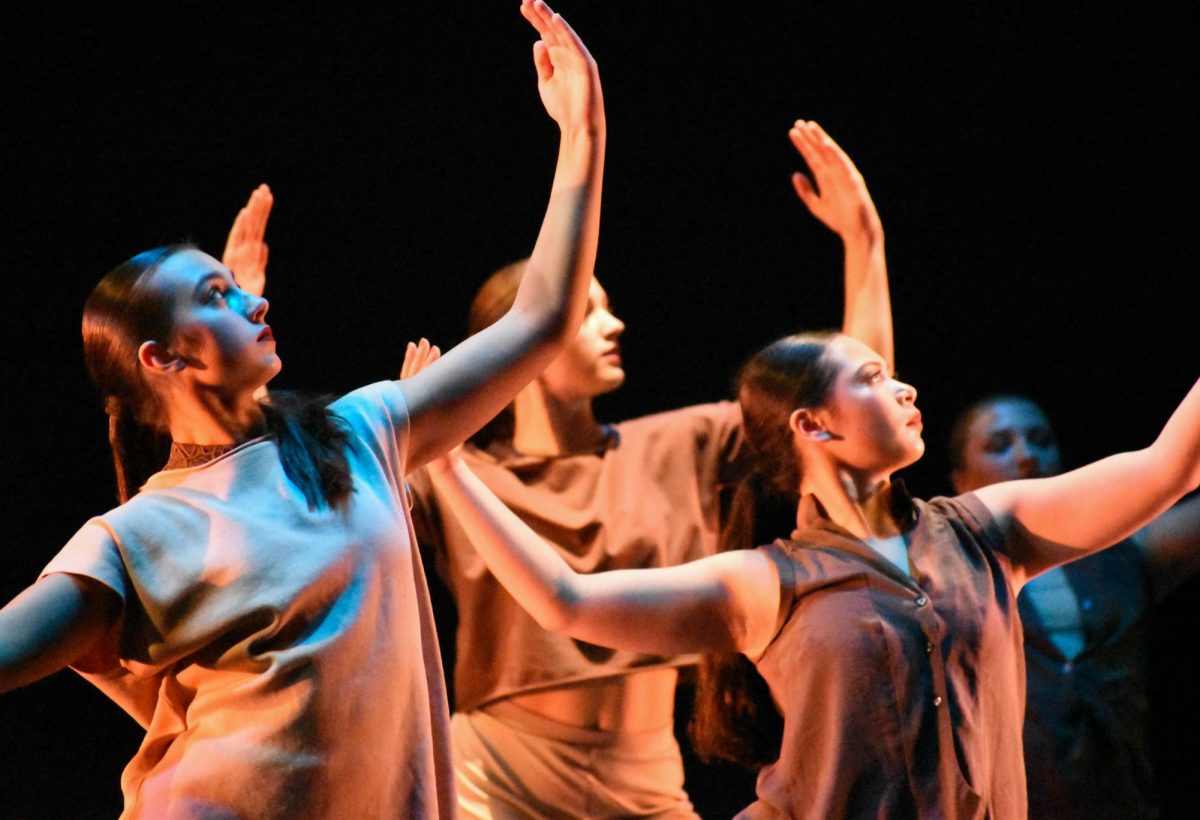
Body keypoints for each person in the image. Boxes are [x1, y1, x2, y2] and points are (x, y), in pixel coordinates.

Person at [0, 2, 604, 816]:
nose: (253, 304)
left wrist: (582, 137)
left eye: (242, 287)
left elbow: (540, 319)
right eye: (219, 296)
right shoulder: (135, 538)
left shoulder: (360, 434)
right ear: (163, 359)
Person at [413, 329, 1200, 817]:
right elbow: (565, 600)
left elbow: (1168, 466)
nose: (906, 386)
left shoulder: (985, 531)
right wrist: (448, 465)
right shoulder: (768, 583)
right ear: (813, 424)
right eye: (872, 375)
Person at [405, 120, 892, 817]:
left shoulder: (678, 443)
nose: (615, 325)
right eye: (587, 310)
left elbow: (849, 411)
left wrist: (864, 242)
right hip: (498, 773)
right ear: (522, 333)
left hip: (644, 769)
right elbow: (304, 490)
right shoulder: (456, 468)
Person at [949, 394, 1200, 819]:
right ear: (960, 481)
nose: (1027, 456)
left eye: (1040, 439)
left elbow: (1171, 470)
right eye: (999, 445)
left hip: (1120, 801)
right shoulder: (946, 572)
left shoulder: (1121, 555)